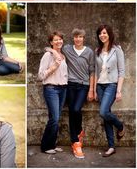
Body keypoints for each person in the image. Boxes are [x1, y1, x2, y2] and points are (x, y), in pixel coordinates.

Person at [63, 28, 95, 159]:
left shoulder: (89, 52)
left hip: (83, 85)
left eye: (80, 36)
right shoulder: (67, 49)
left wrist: (91, 89)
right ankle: (75, 143)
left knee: (76, 109)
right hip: (70, 84)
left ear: (83, 38)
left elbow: (92, 71)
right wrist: (49, 50)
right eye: (76, 37)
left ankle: (79, 132)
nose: (78, 39)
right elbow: (55, 47)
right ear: (73, 38)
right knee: (71, 111)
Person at [94, 24, 125, 157]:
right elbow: (95, 72)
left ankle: (120, 126)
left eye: (105, 33)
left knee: (103, 112)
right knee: (106, 115)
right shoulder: (97, 50)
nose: (102, 35)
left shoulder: (117, 49)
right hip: (100, 85)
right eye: (100, 33)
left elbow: (122, 71)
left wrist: (119, 91)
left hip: (111, 85)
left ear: (109, 34)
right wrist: (94, 89)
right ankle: (111, 147)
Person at [38, 31, 68, 154]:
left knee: (55, 118)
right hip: (51, 89)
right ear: (51, 42)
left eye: (60, 39)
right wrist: (53, 67)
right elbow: (40, 76)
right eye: (55, 40)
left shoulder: (63, 56)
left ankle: (52, 144)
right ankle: (45, 146)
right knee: (54, 119)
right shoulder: (47, 56)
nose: (58, 41)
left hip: (63, 89)